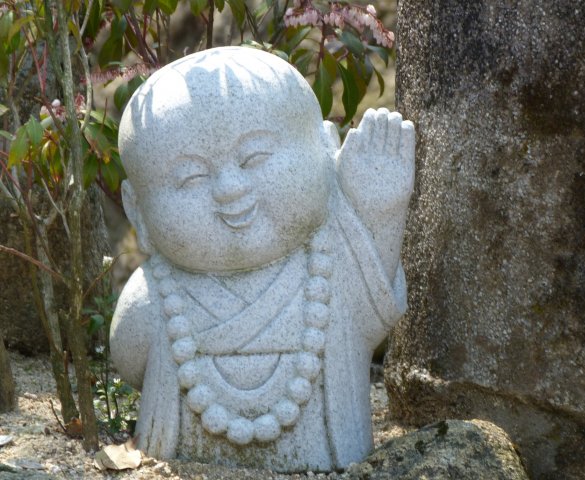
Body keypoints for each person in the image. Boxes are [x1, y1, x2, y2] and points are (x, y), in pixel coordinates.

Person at [111, 46, 414, 472]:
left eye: (255, 157)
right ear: (137, 210)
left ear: (327, 150)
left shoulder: (329, 263)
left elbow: (372, 319)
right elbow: (129, 354)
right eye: (191, 176)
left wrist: (378, 215)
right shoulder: (158, 293)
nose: (230, 188)